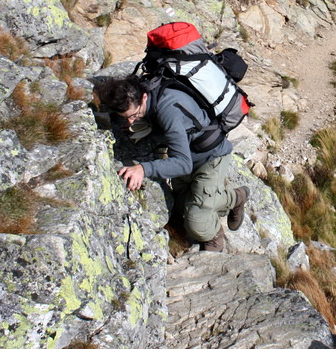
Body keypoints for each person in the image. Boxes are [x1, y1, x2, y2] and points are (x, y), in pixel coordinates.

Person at [96, 75, 248, 252]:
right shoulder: (148, 93)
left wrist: (143, 169)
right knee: (179, 207)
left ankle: (233, 204)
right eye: (126, 117)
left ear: (144, 97)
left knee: (196, 222)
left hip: (211, 157)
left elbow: (183, 164)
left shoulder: (168, 110)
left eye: (134, 115)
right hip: (190, 153)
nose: (131, 121)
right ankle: (213, 200)